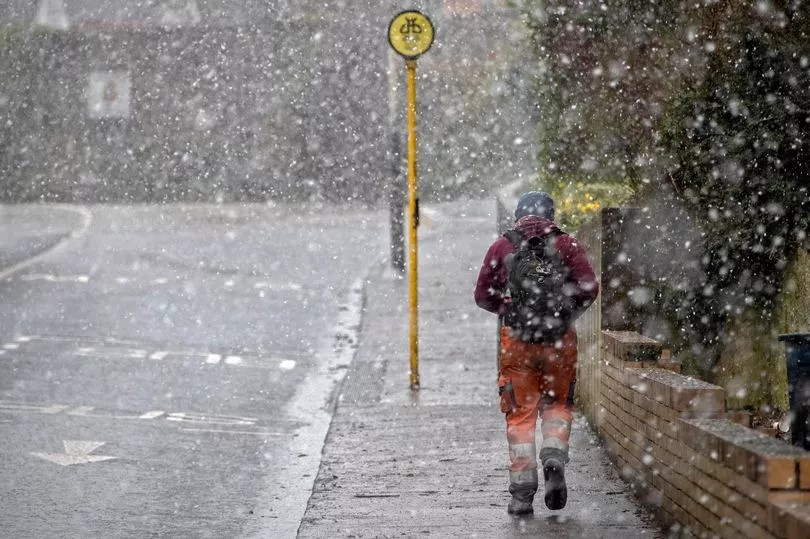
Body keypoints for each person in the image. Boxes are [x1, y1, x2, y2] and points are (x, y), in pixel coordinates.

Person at [474, 191, 599, 515]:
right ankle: (554, 454)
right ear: (551, 214)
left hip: (517, 342)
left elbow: (482, 294)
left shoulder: (503, 246)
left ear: (518, 215)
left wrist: (508, 309)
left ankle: (521, 493)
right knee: (558, 404)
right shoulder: (566, 244)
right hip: (559, 342)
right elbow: (589, 287)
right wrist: (564, 315)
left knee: (520, 416)